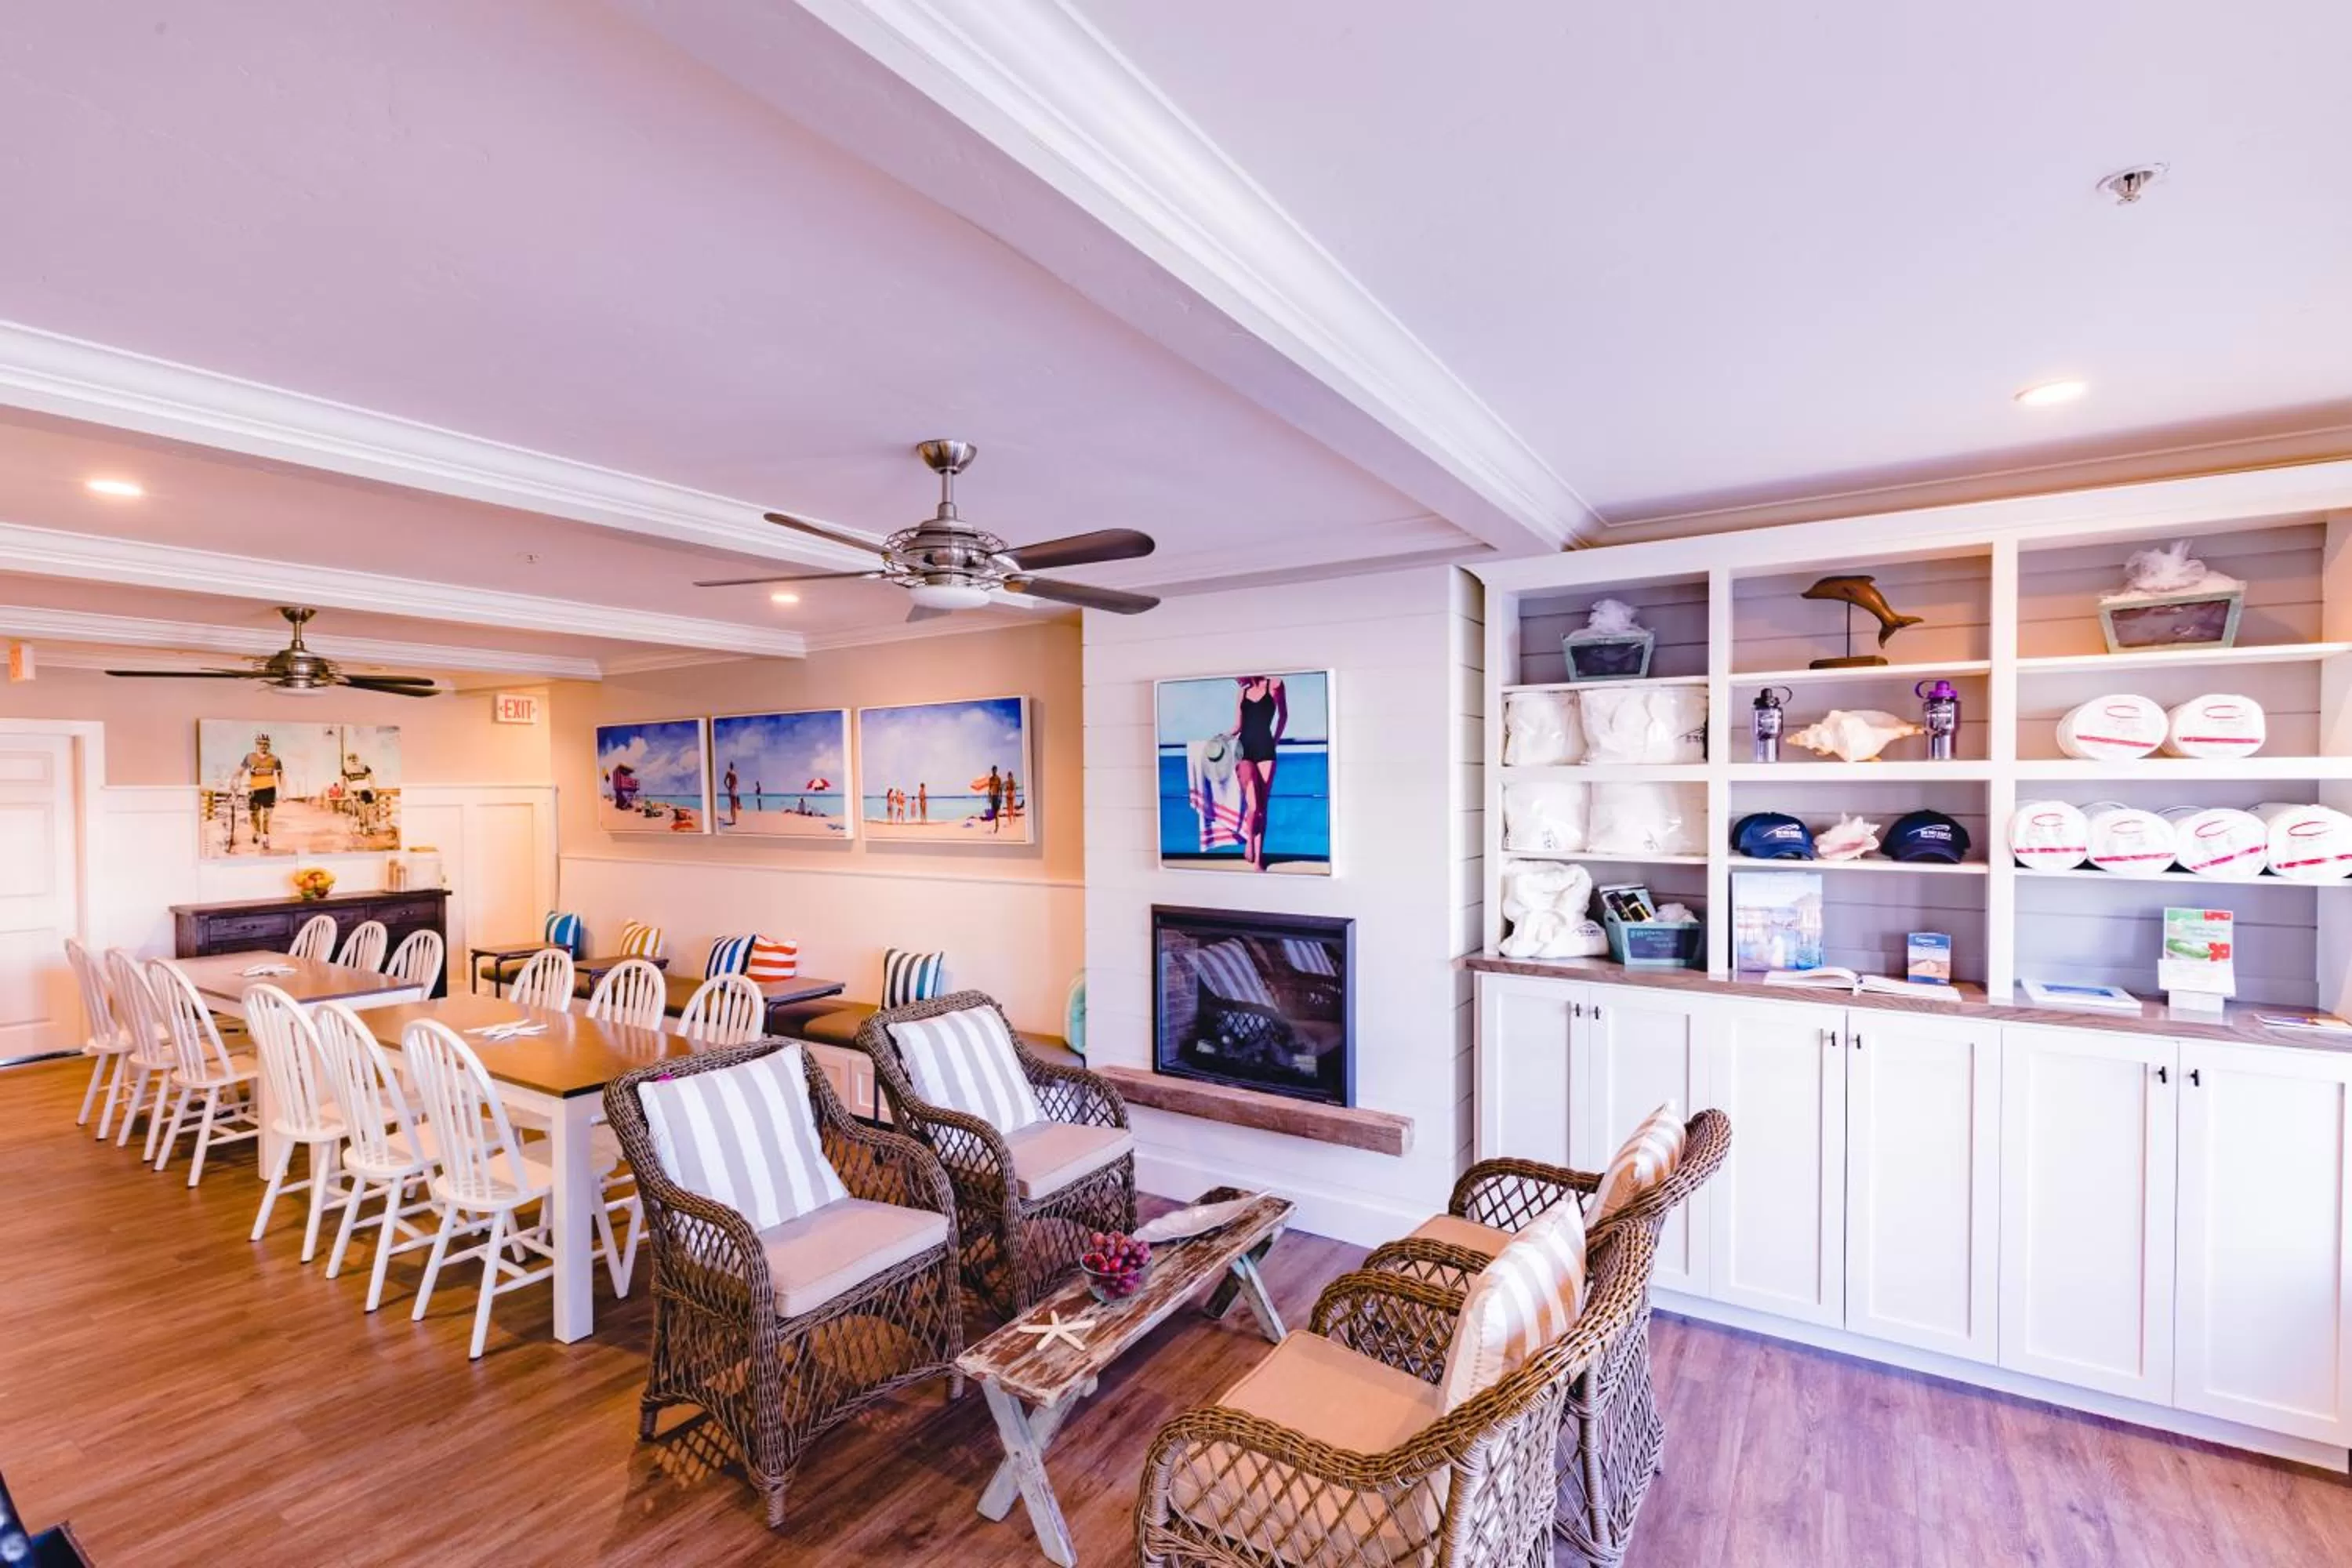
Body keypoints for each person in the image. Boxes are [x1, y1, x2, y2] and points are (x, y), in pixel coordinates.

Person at [1232, 674, 1287, 870]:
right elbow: (1238, 726)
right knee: (1253, 805)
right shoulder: (1242, 692)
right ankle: (1249, 842)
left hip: (1266, 750)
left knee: (1262, 808)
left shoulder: (1275, 685)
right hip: (1244, 750)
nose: (1235, 678)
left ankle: (1258, 861)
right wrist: (1220, 738)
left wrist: (1276, 741)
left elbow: (1284, 716)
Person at [238, 733, 283, 852]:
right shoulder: (249, 757)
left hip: (269, 789)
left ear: (269, 745)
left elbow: (280, 776)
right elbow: (240, 771)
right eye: (261, 744)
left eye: (266, 744)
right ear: (256, 745)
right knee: (254, 815)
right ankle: (257, 831)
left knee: (267, 816)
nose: (263, 746)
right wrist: (236, 782)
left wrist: (282, 791)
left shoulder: (275, 759)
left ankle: (266, 838)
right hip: (254, 790)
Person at [985, 765, 1004, 833]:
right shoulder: (990, 779)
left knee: (996, 813)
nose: (994, 771)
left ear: (996, 771)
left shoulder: (998, 778)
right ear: (992, 770)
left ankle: (997, 827)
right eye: (993, 770)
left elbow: (1001, 789)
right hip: (993, 797)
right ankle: (997, 825)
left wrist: (1001, 797)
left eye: (995, 770)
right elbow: (990, 789)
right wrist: (989, 797)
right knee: (994, 813)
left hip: (997, 797)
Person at [724, 761, 741, 826]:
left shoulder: (728, 772)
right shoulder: (735, 773)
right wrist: (734, 787)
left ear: (729, 766)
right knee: (735, 805)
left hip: (731, 789)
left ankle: (733, 820)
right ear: (733, 766)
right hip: (735, 789)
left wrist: (728, 787)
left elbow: (725, 781)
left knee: (732, 805)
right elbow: (736, 782)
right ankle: (734, 820)